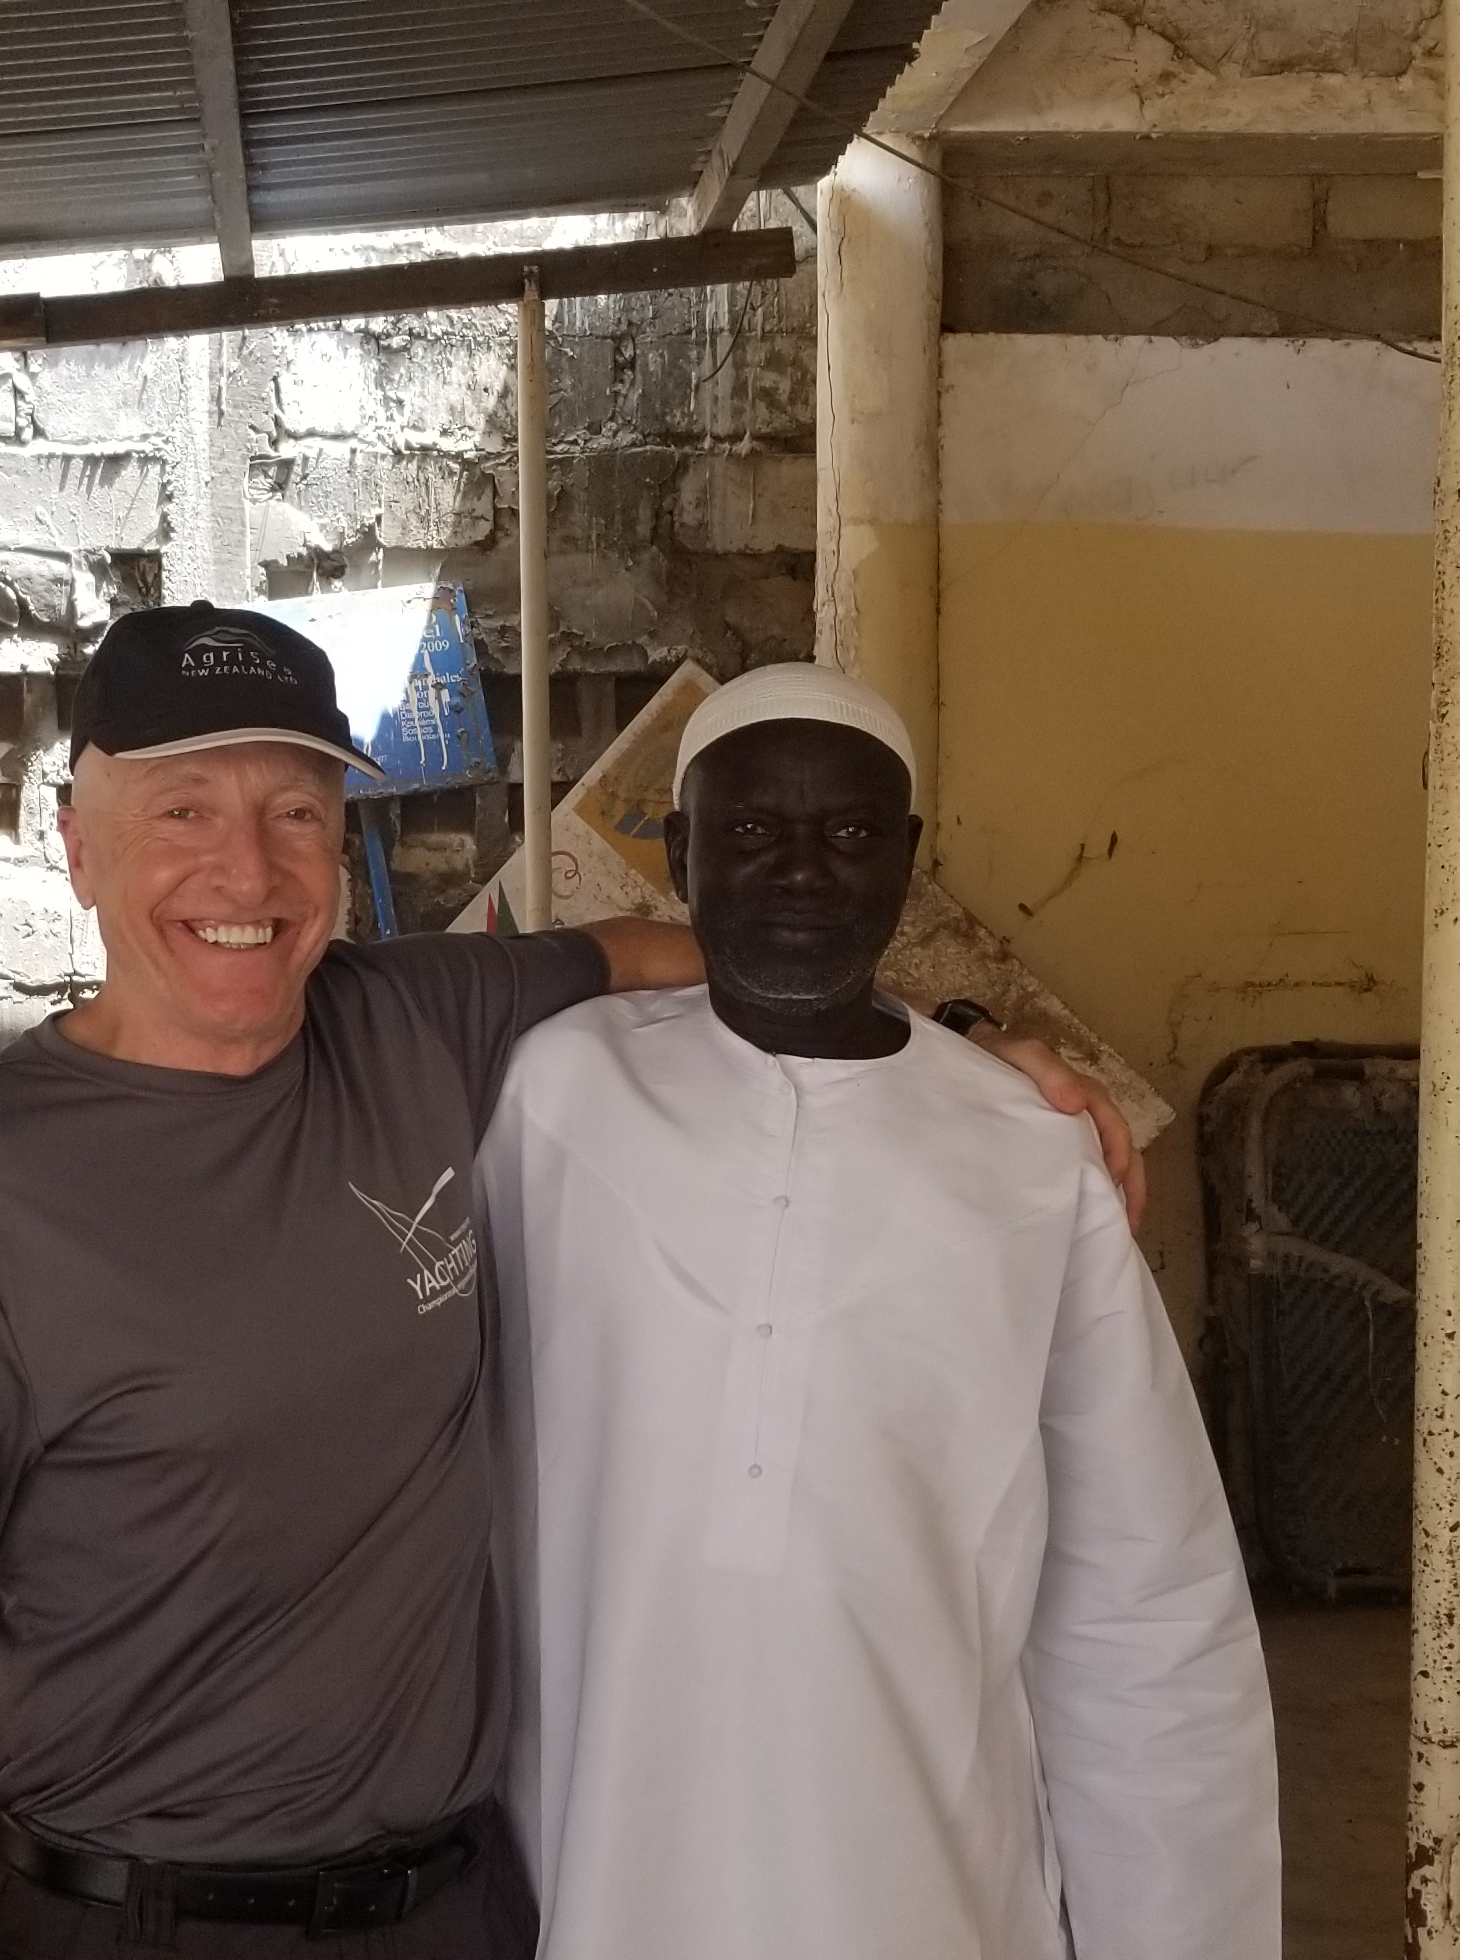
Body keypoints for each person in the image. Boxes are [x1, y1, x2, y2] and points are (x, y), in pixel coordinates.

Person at [0, 604, 1142, 1960]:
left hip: (458, 1906)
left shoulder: (416, 1022)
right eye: (182, 811)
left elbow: (714, 953)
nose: (246, 869)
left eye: (295, 812)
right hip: (145, 1919)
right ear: (78, 848)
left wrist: (968, 1047)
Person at [488, 663, 1278, 1960]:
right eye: (752, 831)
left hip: (926, 1885)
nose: (802, 871)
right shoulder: (550, 1097)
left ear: (907, 859)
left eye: (851, 832)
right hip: (596, 1861)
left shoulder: (1030, 1161)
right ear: (681, 855)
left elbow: (1143, 1602)